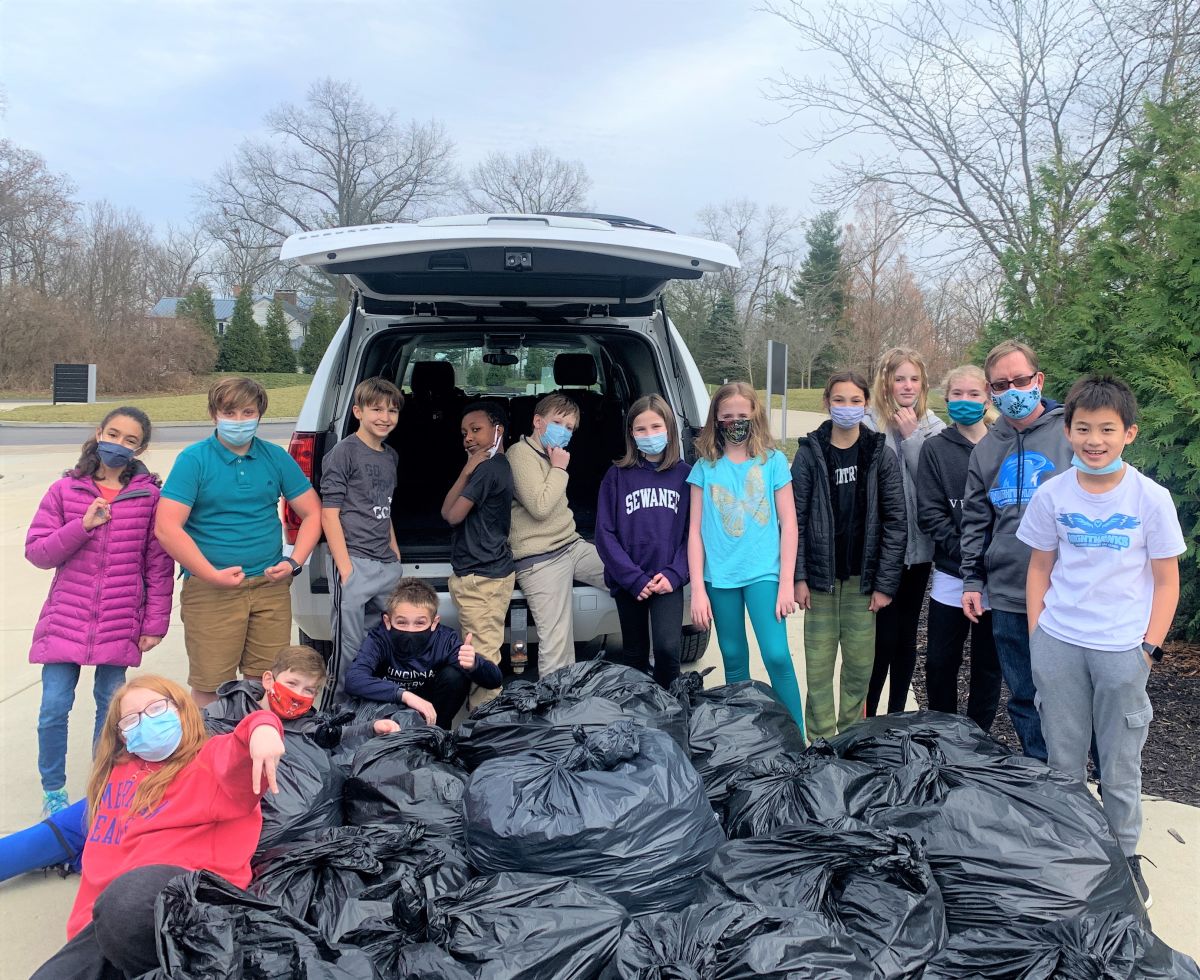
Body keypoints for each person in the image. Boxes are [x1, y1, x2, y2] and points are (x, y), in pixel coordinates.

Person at [1018, 375, 1184, 909]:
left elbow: (1166, 580)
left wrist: (1150, 648)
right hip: (1060, 642)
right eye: (1083, 428)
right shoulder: (1051, 494)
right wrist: (1037, 635)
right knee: (1062, 764)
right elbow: (1039, 566)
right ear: (1067, 431)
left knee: (1119, 764)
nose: (1095, 440)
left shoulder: (1150, 499)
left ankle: (1125, 858)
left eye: (1107, 430)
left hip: (1122, 651)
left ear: (1129, 433)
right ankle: (1072, 855)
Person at [31, 674, 285, 980]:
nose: (146, 722)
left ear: (182, 709)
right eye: (131, 720)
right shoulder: (117, 772)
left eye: (156, 708)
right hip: (105, 927)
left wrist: (264, 727)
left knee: (127, 898)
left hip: (185, 910)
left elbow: (240, 750)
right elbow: (100, 865)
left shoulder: (207, 761)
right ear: (122, 735)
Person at [25, 407, 174, 817]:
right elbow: (37, 552)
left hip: (120, 619)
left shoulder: (149, 497)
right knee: (54, 706)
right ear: (98, 433)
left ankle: (103, 781)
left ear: (141, 447)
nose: (119, 444)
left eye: (130, 440)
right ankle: (53, 789)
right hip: (65, 620)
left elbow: (158, 566)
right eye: (113, 434)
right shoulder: (65, 491)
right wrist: (83, 525)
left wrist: (154, 622)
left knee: (112, 708)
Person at [156, 377, 322, 708]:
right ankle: (212, 751)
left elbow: (313, 513)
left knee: (264, 680)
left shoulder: (274, 457)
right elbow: (167, 527)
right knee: (211, 686)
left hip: (269, 587)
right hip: (212, 589)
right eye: (229, 412)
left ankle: (255, 749)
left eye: (248, 412)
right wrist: (210, 574)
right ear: (213, 414)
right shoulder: (195, 460)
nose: (239, 421)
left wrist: (294, 562)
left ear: (260, 414)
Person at [959, 340, 1072, 761]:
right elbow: (975, 520)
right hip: (1008, 592)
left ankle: (1085, 779)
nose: (1014, 390)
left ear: (1038, 380)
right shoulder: (987, 449)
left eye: (1021, 380)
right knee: (1023, 696)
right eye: (1002, 384)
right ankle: (1043, 781)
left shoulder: (1070, 436)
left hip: (1065, 592)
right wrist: (973, 578)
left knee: (1072, 695)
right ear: (992, 392)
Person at [792, 371, 907, 740]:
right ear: (827, 402)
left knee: (859, 667)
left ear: (866, 404)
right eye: (839, 400)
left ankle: (851, 737)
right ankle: (821, 740)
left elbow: (895, 522)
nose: (846, 408)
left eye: (855, 401)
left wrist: (885, 584)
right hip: (821, 583)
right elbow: (794, 518)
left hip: (864, 582)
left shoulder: (880, 454)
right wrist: (799, 576)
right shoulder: (810, 453)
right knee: (819, 669)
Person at [688, 382, 804, 730]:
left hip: (764, 575)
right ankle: (747, 737)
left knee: (777, 656)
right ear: (716, 420)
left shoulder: (773, 462)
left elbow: (790, 524)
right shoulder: (705, 468)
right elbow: (694, 533)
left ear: (755, 416)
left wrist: (786, 583)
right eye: (727, 416)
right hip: (720, 578)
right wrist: (697, 589)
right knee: (735, 659)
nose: (735, 422)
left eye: (743, 415)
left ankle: (797, 736)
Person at [915, 365, 1003, 731]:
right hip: (952, 574)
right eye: (957, 394)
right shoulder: (934, 448)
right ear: (946, 398)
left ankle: (979, 736)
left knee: (988, 663)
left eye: (973, 394)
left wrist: (990, 559)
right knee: (940, 661)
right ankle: (944, 733)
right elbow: (931, 513)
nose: (965, 401)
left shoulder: (1004, 444)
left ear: (987, 397)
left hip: (998, 576)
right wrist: (968, 558)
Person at [863, 347, 946, 716]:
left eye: (914, 379)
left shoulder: (933, 427)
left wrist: (913, 437)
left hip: (920, 551)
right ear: (886, 381)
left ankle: (896, 714)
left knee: (907, 635)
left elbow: (932, 483)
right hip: (882, 550)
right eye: (900, 378)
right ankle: (868, 710)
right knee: (881, 637)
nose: (907, 386)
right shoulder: (868, 425)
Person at [319, 377, 406, 707]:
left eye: (393, 410)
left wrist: (394, 554)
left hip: (385, 564)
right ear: (357, 411)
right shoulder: (344, 453)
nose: (385, 417)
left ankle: (369, 711)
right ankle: (331, 716)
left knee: (381, 643)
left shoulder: (390, 456)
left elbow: (385, 506)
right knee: (348, 649)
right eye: (377, 409)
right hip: (354, 561)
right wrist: (346, 570)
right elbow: (330, 514)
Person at [507, 393, 607, 675]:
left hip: (571, 545)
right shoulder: (520, 455)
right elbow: (540, 507)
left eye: (570, 428)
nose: (563, 432)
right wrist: (560, 469)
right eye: (558, 423)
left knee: (629, 574)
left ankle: (647, 658)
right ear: (538, 422)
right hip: (539, 558)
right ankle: (555, 708)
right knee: (558, 643)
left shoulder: (550, 454)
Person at [596, 395, 691, 689]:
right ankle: (639, 711)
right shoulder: (617, 476)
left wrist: (675, 574)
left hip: (667, 579)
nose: (649, 435)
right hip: (631, 582)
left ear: (669, 429)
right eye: (641, 429)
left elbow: (694, 534)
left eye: (656, 427)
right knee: (634, 653)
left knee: (667, 649)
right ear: (631, 434)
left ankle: (670, 710)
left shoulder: (686, 475)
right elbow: (604, 534)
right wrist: (633, 579)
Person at [345, 578, 502, 727]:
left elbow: (494, 680)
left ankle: (437, 733)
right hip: (386, 713)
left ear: (434, 623)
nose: (410, 630)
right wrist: (404, 695)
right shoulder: (379, 638)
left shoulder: (445, 640)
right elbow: (353, 679)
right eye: (401, 622)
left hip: (432, 714)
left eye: (420, 623)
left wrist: (475, 664)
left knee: (455, 675)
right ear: (387, 621)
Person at [441, 401, 516, 708]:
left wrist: (471, 471)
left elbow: (453, 516)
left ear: (498, 430)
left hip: (482, 578)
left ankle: (484, 723)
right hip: (478, 573)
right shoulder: (483, 468)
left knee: (482, 657)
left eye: (476, 430)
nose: (468, 438)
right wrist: (466, 470)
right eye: (464, 432)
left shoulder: (489, 471)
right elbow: (447, 511)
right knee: (478, 649)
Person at [204, 644, 407, 746]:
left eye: (308, 690)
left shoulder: (302, 723)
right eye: (291, 683)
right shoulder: (229, 708)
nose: (297, 694)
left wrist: (373, 727)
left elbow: (334, 735)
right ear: (268, 680)